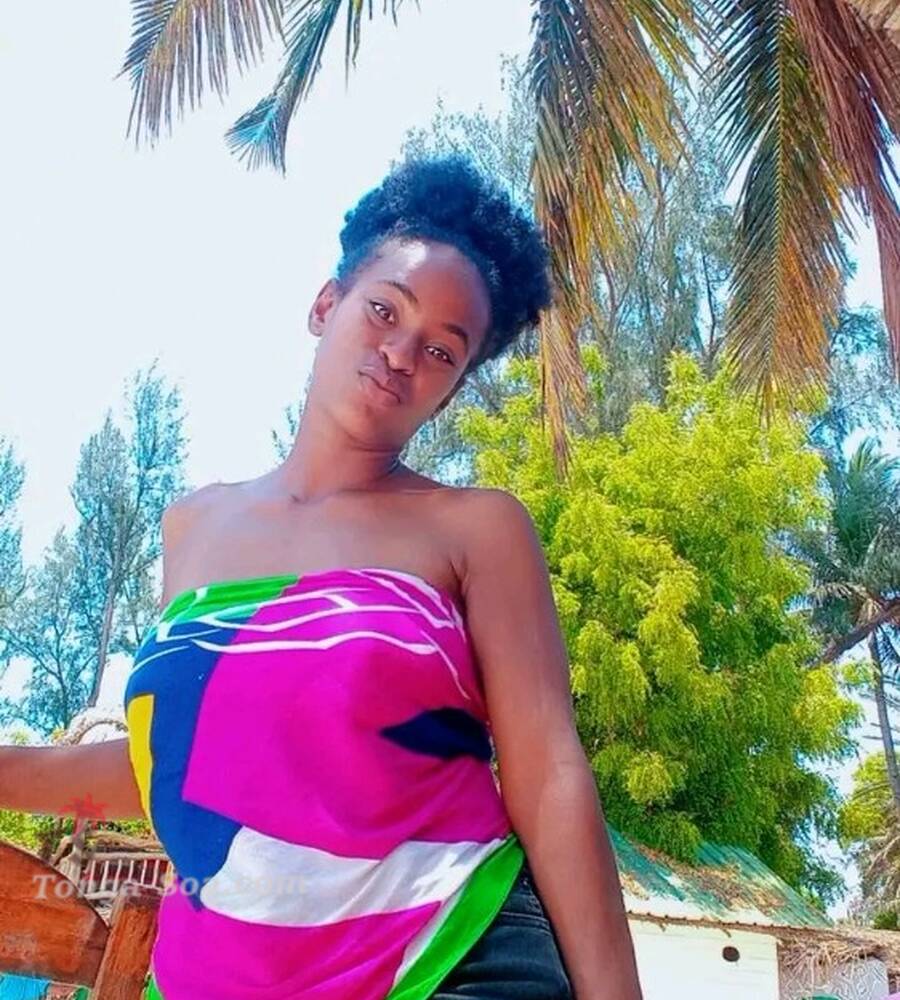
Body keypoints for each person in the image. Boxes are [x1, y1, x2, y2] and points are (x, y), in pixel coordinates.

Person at [0, 155, 643, 1000]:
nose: (401, 353)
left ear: (450, 390)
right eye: (385, 309)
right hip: (209, 979)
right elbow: (182, 757)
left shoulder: (476, 529)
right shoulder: (193, 527)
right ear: (325, 304)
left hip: (447, 961)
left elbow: (548, 772)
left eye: (441, 350)